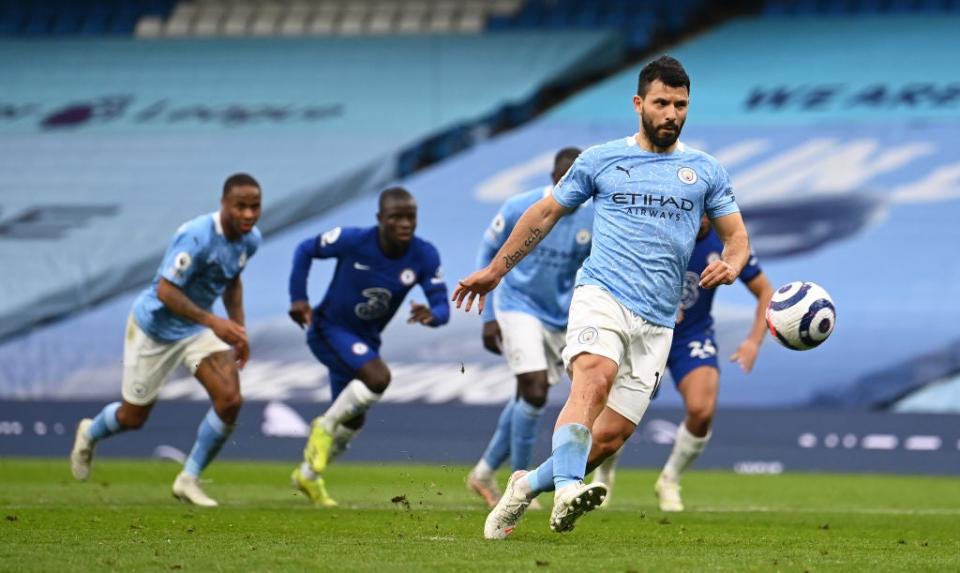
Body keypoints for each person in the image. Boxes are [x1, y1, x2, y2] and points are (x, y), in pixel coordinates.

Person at [452, 55, 751, 539]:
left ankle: (525, 486)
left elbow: (737, 236)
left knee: (611, 436)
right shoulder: (601, 160)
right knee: (594, 376)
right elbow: (544, 213)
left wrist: (732, 263)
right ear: (639, 104)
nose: (671, 113)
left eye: (680, 104)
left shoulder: (706, 171)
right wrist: (495, 270)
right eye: (661, 103)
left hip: (658, 319)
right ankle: (569, 488)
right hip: (603, 294)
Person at [70, 173, 263, 507]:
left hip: (195, 330)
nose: (248, 214)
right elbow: (165, 289)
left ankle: (188, 479)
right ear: (224, 204)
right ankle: (89, 432)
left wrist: (238, 331)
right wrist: (214, 321)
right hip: (154, 329)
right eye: (240, 206)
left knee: (230, 399)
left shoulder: (251, 239)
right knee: (133, 418)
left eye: (255, 206)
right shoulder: (196, 236)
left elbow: (233, 281)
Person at [592, 214, 773, 511]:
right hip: (647, 332)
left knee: (702, 410)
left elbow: (765, 290)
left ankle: (669, 479)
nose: (699, 217)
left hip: (691, 336)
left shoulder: (729, 243)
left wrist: (753, 341)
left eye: (706, 210)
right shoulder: (657, 236)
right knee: (615, 414)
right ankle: (604, 474)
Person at [288, 187, 449, 507]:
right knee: (378, 378)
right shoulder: (353, 240)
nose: (404, 224)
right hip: (327, 330)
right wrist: (298, 298)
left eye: (410, 217)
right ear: (380, 219)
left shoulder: (424, 255)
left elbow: (442, 307)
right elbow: (305, 249)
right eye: (396, 217)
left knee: (354, 420)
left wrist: (431, 316)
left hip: (365, 341)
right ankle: (323, 425)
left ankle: (306, 476)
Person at [466, 148, 593, 509]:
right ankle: (519, 479)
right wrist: (489, 314)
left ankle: (483, 471)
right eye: (565, 181)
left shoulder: (593, 219)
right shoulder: (519, 206)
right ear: (553, 178)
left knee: (527, 397)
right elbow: (488, 250)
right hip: (516, 304)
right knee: (535, 391)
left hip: (559, 316)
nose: (572, 189)